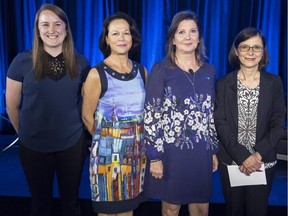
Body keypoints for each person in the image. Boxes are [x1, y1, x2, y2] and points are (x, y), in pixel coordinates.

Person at [5, 4, 91, 216]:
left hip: (72, 145)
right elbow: (12, 106)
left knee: (71, 202)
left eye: (57, 24)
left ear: (66, 29)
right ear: (38, 29)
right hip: (33, 146)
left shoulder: (81, 62)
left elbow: (85, 105)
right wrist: (24, 134)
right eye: (45, 24)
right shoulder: (21, 61)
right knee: (40, 204)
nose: (51, 30)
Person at [143, 11, 219, 216]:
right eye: (181, 32)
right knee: (171, 208)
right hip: (170, 154)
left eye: (192, 31)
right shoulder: (161, 70)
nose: (187, 37)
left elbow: (209, 114)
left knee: (202, 207)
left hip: (201, 153)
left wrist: (213, 150)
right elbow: (151, 115)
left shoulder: (209, 71)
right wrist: (155, 157)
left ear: (199, 37)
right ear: (173, 39)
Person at [214, 27, 286, 216]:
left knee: (257, 211)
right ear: (236, 51)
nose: (251, 52)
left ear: (263, 52)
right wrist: (243, 156)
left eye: (256, 47)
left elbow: (278, 123)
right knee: (233, 210)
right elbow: (220, 123)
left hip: (262, 162)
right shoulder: (223, 83)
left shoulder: (274, 83)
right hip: (231, 161)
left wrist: (257, 155)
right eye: (245, 47)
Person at [82, 12, 148, 216]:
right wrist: (107, 142)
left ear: (132, 38)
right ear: (107, 39)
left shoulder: (142, 71)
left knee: (128, 211)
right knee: (108, 212)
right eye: (115, 33)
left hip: (136, 157)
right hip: (107, 158)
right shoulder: (96, 74)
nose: (121, 38)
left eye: (126, 33)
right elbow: (86, 115)